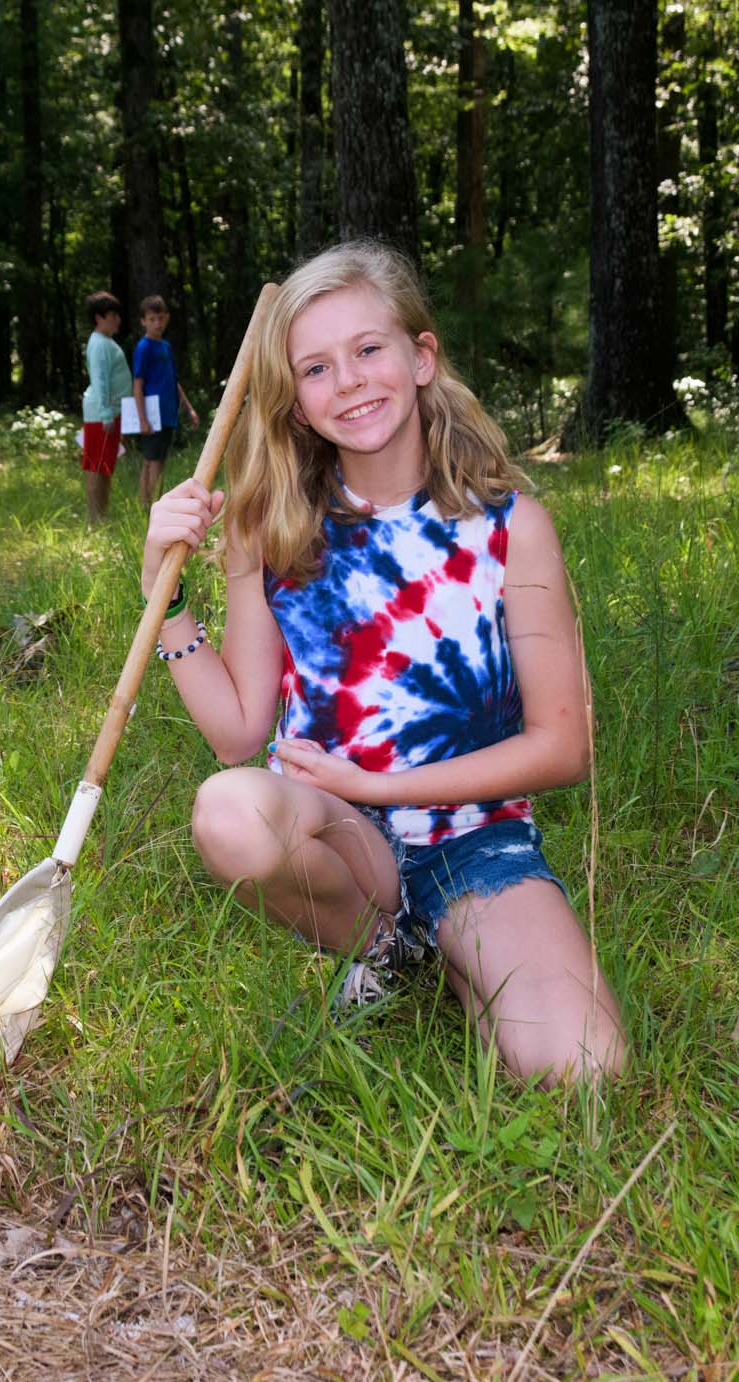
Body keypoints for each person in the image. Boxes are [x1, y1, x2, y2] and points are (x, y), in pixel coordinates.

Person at [139, 242, 625, 1085]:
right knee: (230, 812)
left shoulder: (511, 529)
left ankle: (454, 949)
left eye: (369, 349)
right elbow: (235, 734)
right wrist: (166, 599)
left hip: (475, 839)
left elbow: (563, 747)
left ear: (421, 356)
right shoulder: (272, 528)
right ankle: (385, 945)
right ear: (295, 404)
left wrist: (374, 784)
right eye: (317, 368)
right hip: (340, 834)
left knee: (585, 1068)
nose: (352, 381)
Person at [129, 295, 200, 511]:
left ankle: (148, 506)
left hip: (168, 413)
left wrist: (189, 409)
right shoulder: (144, 347)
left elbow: (173, 381)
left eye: (160, 318)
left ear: (166, 318)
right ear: (143, 321)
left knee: (157, 460)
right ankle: (151, 508)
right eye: (151, 319)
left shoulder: (166, 346)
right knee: (153, 462)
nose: (157, 323)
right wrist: (142, 419)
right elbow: (138, 385)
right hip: (152, 414)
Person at [79, 290, 132, 524]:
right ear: (99, 318)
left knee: (105, 466)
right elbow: (100, 381)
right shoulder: (99, 344)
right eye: (113, 314)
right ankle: (94, 519)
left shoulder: (106, 342)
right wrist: (106, 414)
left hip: (110, 412)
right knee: (96, 466)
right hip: (101, 415)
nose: (117, 319)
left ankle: (102, 515)